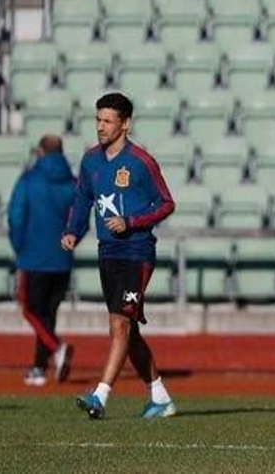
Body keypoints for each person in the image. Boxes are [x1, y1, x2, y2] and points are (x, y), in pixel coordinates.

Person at [62, 92, 177, 419]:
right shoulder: (90, 160)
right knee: (128, 330)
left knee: (119, 324)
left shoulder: (141, 161)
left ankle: (100, 396)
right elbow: (83, 199)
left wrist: (132, 222)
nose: (100, 127)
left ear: (125, 124)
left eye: (107, 121)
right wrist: (73, 230)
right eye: (97, 120)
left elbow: (167, 203)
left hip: (137, 252)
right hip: (107, 252)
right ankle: (160, 397)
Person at [8, 134, 77, 386]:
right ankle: (39, 367)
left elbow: (16, 215)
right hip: (62, 258)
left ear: (40, 151)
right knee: (48, 314)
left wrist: (19, 247)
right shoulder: (73, 182)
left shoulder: (29, 180)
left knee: (29, 309)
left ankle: (57, 349)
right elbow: (79, 218)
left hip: (34, 258)